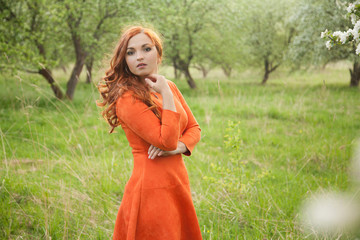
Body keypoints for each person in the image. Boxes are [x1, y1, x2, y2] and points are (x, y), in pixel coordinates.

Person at [97, 25, 203, 240]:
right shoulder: (127, 98)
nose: (139, 57)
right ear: (124, 60)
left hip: (177, 181)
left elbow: (194, 128)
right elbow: (166, 140)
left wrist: (180, 147)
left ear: (158, 53)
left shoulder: (169, 87)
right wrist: (164, 93)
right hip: (152, 188)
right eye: (131, 52)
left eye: (146, 49)